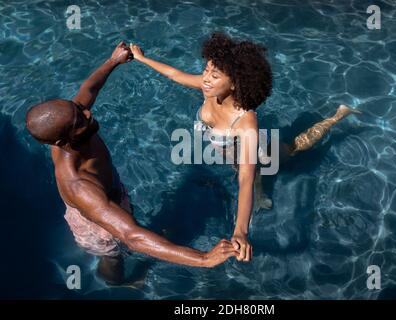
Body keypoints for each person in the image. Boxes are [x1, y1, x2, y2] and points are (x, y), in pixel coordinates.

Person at [129, 32, 362, 263]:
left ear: (234, 84)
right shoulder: (210, 88)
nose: (206, 78)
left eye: (215, 75)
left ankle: (336, 117)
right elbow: (175, 74)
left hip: (252, 155)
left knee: (291, 150)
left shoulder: (245, 124)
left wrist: (240, 231)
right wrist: (142, 59)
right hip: (229, 152)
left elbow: (244, 180)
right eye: (207, 69)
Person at [25, 41, 239, 285]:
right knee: (114, 256)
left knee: (133, 224)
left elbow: (89, 88)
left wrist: (113, 61)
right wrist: (203, 259)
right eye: (80, 119)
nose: (87, 113)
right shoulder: (78, 184)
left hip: (112, 195)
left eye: (78, 108)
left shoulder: (72, 122)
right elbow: (131, 236)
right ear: (64, 141)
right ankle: (117, 282)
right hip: (97, 225)